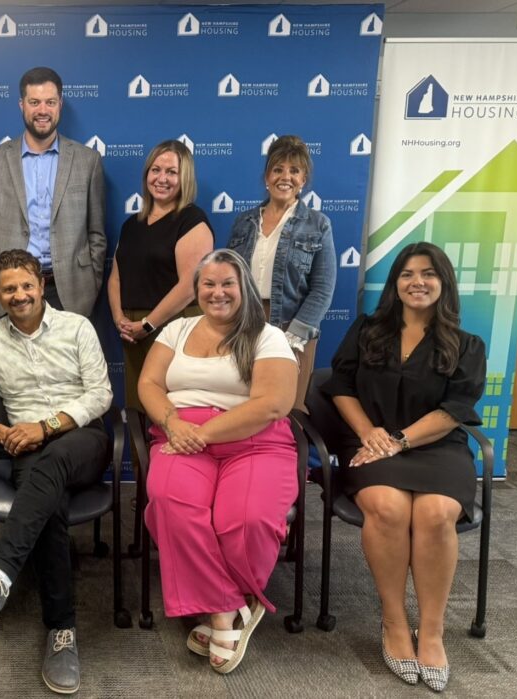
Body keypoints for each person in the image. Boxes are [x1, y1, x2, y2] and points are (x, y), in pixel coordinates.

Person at [320, 242, 486, 692]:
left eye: (428, 274)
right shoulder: (368, 330)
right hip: (371, 441)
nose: (418, 282)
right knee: (390, 509)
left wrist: (401, 441)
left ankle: (431, 631)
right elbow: (340, 386)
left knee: (435, 514)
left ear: (443, 283)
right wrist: (372, 434)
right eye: (408, 274)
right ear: (395, 283)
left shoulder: (467, 345)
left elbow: (455, 410)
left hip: (435, 446)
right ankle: (394, 623)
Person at [0, 249, 113, 694]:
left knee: (54, 458)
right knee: (50, 509)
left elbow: (100, 394)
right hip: (24, 446)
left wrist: (46, 427)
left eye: (26, 285)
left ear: (42, 286)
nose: (19, 295)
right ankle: (62, 633)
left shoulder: (77, 326)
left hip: (82, 439)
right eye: (9, 288)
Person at [138, 249, 299, 675]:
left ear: (243, 287)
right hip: (180, 435)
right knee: (171, 502)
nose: (218, 292)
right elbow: (149, 383)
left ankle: (224, 604)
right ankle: (227, 610)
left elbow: (272, 404)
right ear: (197, 291)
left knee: (244, 519)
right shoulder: (177, 330)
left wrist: (201, 434)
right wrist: (173, 423)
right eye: (208, 284)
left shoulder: (268, 336)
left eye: (227, 283)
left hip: (254, 441)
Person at [0, 66, 106, 323]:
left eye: (50, 102)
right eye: (34, 102)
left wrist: (92, 278)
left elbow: (96, 233)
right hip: (7, 290)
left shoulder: (88, 161)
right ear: (22, 104)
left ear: (60, 104)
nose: (42, 110)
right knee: (4, 365)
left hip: (67, 291)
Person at [227, 134, 336, 409]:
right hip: (246, 325)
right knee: (242, 404)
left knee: (287, 411)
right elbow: (229, 279)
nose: (285, 177)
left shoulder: (318, 224)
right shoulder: (244, 221)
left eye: (294, 171)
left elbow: (322, 289)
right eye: (278, 169)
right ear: (267, 176)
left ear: (303, 180)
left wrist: (292, 338)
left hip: (292, 326)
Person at [107, 139, 213, 413]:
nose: (162, 178)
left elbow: (190, 285)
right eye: (156, 170)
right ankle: (143, 459)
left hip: (172, 327)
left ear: (184, 178)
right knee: (138, 408)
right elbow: (116, 277)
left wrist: (149, 324)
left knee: (171, 409)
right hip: (132, 332)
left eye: (171, 172)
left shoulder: (192, 220)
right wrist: (120, 319)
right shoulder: (132, 224)